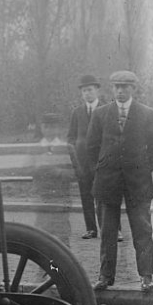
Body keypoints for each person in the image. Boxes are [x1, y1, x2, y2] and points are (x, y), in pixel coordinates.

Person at [86, 70, 153, 292]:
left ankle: (146, 276)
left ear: (134, 89)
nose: (120, 90)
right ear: (112, 88)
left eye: (125, 87)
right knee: (107, 233)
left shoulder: (147, 114)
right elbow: (91, 148)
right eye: (117, 86)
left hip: (138, 182)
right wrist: (101, 169)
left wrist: (142, 168)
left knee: (142, 231)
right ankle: (105, 276)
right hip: (107, 181)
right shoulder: (100, 114)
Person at [66, 75, 102, 239]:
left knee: (105, 196)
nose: (87, 93)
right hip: (83, 164)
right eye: (84, 90)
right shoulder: (77, 112)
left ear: (97, 90)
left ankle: (113, 229)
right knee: (86, 196)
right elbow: (71, 138)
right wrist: (76, 159)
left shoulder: (107, 109)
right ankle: (91, 229)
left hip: (102, 163)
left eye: (90, 89)